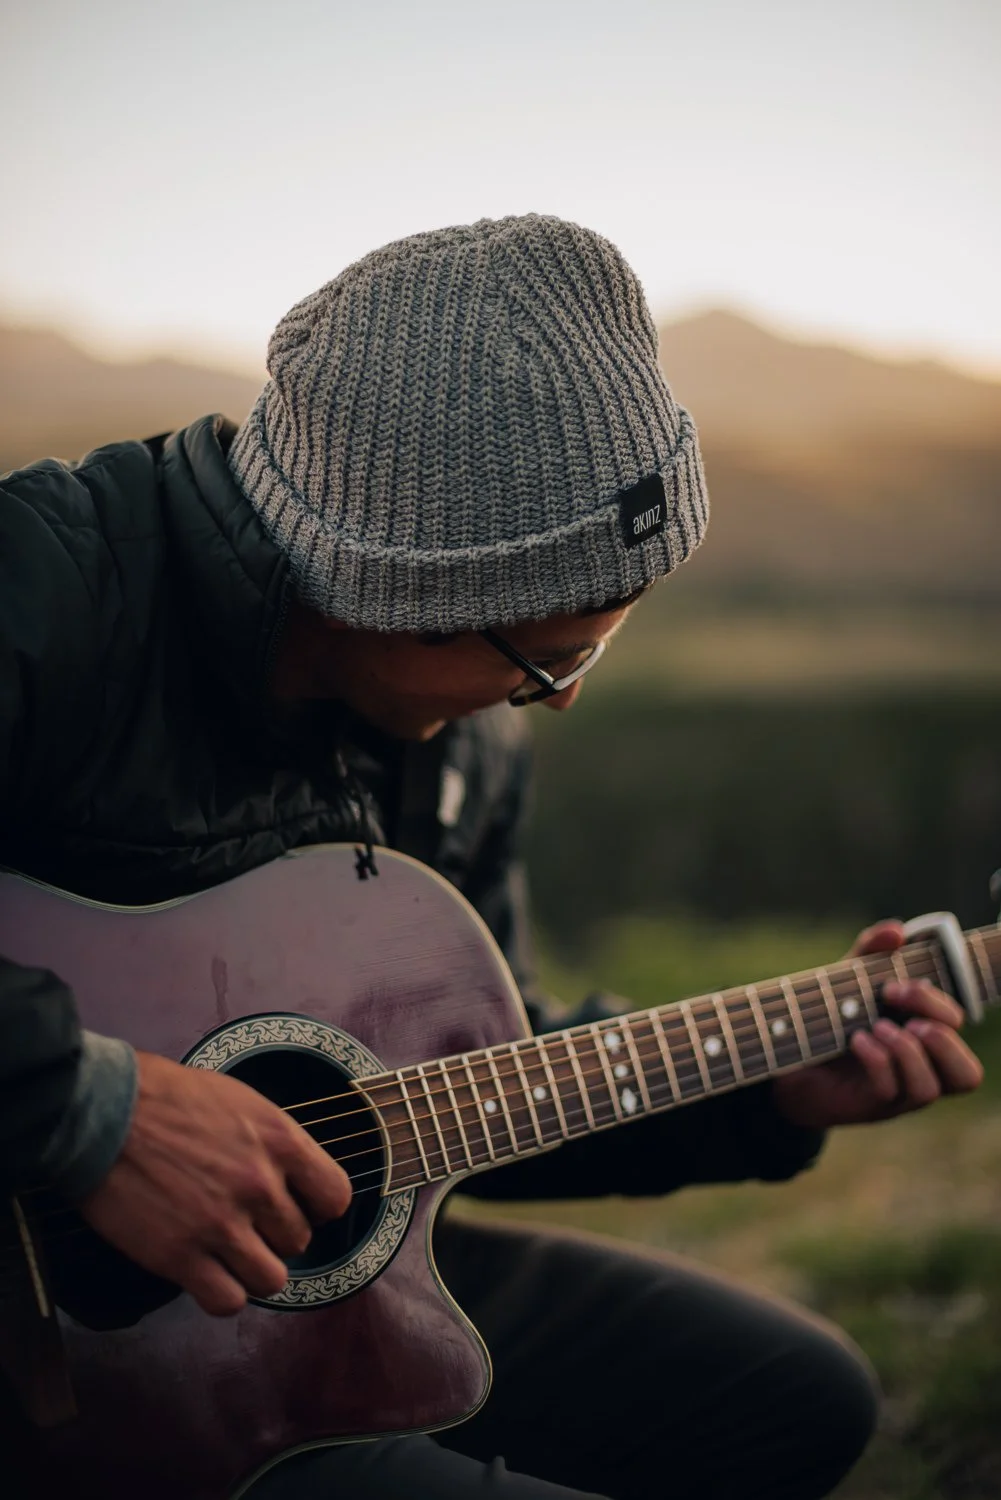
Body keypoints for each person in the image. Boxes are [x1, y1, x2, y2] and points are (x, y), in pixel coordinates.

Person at [0, 215, 983, 1500]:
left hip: (288, 1316)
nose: (557, 700)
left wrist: (772, 1092)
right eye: (544, 657)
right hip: (79, 1397)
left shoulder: (464, 746)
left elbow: (458, 1080)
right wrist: (89, 1112)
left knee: (793, 1401)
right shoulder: (52, 588)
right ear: (384, 596)